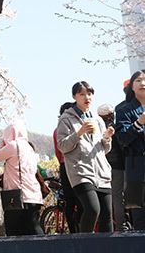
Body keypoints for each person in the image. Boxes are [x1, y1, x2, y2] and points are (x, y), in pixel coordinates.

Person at [57, 81, 114, 233]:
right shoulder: (66, 119)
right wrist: (79, 133)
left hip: (101, 172)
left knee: (107, 214)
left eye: (89, 93)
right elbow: (62, 146)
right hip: (81, 171)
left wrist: (107, 138)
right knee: (93, 209)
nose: (86, 97)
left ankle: (107, 248)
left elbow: (105, 149)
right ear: (74, 96)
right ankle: (85, 245)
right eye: (82, 94)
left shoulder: (98, 119)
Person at [0, 121, 44, 236]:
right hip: (34, 195)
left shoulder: (14, 145)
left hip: (17, 196)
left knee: (13, 232)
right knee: (32, 229)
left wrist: (2, 145)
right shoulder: (29, 147)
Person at [116, 69, 145, 230]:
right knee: (140, 217)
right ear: (131, 86)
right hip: (137, 166)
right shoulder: (123, 111)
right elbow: (122, 139)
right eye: (139, 80)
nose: (143, 83)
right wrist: (139, 123)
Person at [53, 101, 82, 233]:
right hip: (70, 166)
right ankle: (78, 229)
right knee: (78, 200)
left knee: (71, 201)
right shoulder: (64, 129)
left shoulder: (57, 130)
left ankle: (74, 230)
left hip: (64, 167)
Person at [99, 103, 126, 231]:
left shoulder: (98, 129)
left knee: (109, 198)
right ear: (111, 115)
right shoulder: (114, 128)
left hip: (103, 168)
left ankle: (111, 227)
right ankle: (121, 226)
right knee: (118, 198)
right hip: (118, 167)